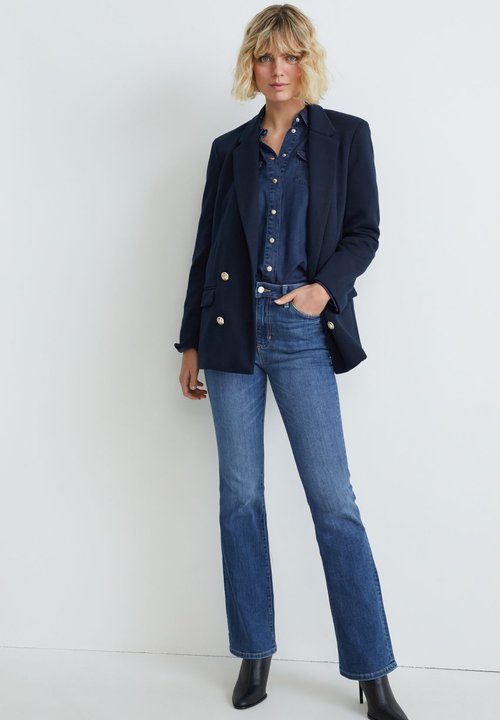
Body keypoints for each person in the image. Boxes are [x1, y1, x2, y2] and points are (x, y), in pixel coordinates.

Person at [175, 5, 409, 719]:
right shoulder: (229, 150)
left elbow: (364, 233)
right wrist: (189, 341)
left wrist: (321, 289)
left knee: (334, 504)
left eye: (291, 56)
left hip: (303, 333)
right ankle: (255, 652)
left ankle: (371, 673)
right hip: (231, 336)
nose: (278, 70)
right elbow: (206, 248)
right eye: (266, 57)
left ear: (309, 62)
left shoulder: (346, 137)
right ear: (251, 66)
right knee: (240, 499)